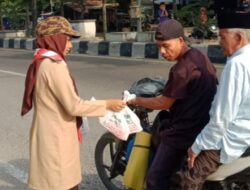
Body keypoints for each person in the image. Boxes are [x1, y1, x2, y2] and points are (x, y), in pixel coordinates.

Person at [21, 16, 125, 190]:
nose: (70, 45)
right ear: (56, 38)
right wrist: (107, 104)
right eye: (67, 40)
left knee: (51, 182)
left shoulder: (41, 61)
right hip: (56, 137)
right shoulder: (54, 65)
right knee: (62, 183)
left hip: (48, 133)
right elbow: (74, 106)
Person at [127, 19, 218, 190]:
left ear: (181, 41)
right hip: (203, 124)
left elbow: (163, 102)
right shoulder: (200, 56)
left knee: (154, 178)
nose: (162, 51)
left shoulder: (181, 69)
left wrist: (136, 100)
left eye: (166, 46)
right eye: (159, 46)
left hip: (183, 132)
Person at [178, 10, 250, 190]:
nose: (219, 43)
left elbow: (221, 119)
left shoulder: (237, 64)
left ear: (239, 38)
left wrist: (197, 147)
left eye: (223, 37)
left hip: (234, 138)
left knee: (186, 178)